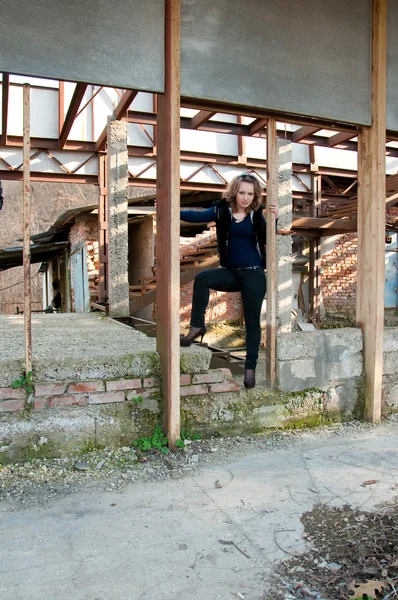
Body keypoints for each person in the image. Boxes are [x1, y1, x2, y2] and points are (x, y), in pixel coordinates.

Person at [180, 173, 278, 389]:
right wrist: (170, 210)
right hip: (232, 272)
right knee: (202, 278)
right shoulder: (221, 211)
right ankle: (197, 327)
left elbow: (267, 238)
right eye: (242, 192)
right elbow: (196, 216)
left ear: (255, 196)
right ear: (234, 191)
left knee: (252, 323)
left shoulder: (256, 215)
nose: (245, 198)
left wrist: (273, 219)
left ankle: (250, 369)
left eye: (250, 194)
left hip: (253, 275)